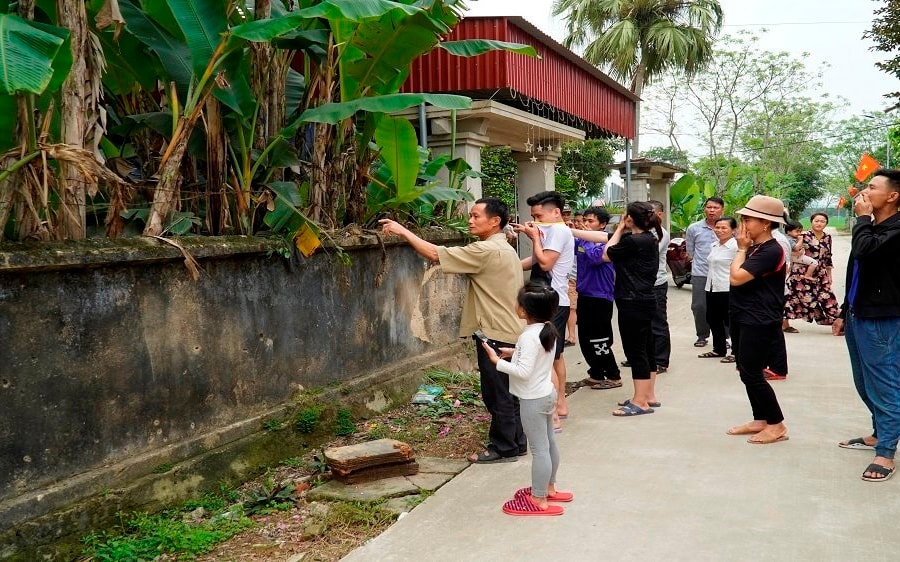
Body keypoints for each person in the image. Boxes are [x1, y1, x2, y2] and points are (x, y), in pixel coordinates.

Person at [379, 198, 527, 463]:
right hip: (510, 329)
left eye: (476, 216)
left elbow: (436, 254)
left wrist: (403, 231)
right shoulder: (505, 248)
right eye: (470, 215)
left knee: (497, 394)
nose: (470, 220)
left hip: (495, 331)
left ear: (495, 221)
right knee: (509, 391)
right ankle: (517, 441)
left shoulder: (485, 250)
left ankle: (504, 447)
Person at [833, 169, 900, 482]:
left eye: (872, 187)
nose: (864, 192)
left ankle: (886, 453)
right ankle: (878, 432)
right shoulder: (873, 228)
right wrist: (843, 311)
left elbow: (864, 251)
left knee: (885, 384)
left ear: (892, 196)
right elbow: (857, 272)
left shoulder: (895, 229)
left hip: (882, 319)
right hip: (858, 313)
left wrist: (861, 219)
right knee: (864, 382)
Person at [482, 282, 572, 515]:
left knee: (539, 449)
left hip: (533, 400)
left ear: (523, 311)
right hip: (547, 394)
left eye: (518, 302)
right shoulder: (549, 329)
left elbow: (523, 371)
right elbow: (537, 357)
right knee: (549, 443)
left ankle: (538, 498)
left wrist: (497, 361)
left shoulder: (528, 337)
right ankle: (549, 488)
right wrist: (514, 353)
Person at [725, 195, 789, 445]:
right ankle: (760, 418)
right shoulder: (756, 247)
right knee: (745, 370)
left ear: (765, 223)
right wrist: (744, 249)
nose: (743, 224)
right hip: (743, 315)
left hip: (758, 319)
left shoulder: (772, 250)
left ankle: (777, 424)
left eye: (748, 219)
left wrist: (740, 249)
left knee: (752, 372)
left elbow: (737, 278)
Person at [513, 191, 575, 430]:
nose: (535, 220)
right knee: (555, 355)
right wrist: (510, 266)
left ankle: (554, 417)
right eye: (533, 217)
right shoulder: (551, 231)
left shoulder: (558, 231)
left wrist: (534, 237)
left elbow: (546, 262)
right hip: (552, 300)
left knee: (545, 358)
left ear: (556, 212)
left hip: (552, 302)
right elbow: (536, 260)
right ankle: (561, 405)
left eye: (539, 215)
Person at [604, 202, 661, 416]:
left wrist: (619, 228)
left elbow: (606, 254)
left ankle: (640, 402)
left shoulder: (634, 241)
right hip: (645, 300)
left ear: (630, 218)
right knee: (646, 348)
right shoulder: (650, 239)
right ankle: (648, 395)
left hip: (631, 301)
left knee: (636, 351)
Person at [571, 207, 621, 389]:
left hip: (600, 297)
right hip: (584, 295)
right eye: (584, 220)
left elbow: (595, 258)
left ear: (602, 225)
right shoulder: (583, 240)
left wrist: (582, 237)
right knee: (585, 338)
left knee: (600, 339)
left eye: (590, 221)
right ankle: (596, 373)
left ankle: (613, 375)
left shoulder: (608, 242)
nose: (585, 224)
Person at [783, 212, 840, 331]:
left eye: (822, 221)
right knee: (794, 297)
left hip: (820, 273)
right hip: (801, 273)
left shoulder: (827, 237)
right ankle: (785, 325)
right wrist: (796, 254)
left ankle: (839, 320)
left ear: (826, 223)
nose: (819, 223)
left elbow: (828, 257)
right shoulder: (802, 235)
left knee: (827, 296)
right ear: (811, 222)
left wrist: (829, 275)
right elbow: (788, 248)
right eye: (816, 221)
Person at [686, 197, 725, 347]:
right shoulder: (694, 228)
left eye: (715, 208)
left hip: (723, 274)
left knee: (723, 306)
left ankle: (724, 337)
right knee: (699, 305)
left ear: (722, 209)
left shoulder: (729, 227)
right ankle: (702, 335)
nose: (712, 210)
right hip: (700, 272)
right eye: (709, 207)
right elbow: (690, 251)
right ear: (704, 209)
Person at [699, 217, 738, 361]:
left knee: (730, 320)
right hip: (711, 286)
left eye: (724, 228)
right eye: (717, 227)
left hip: (727, 287)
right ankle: (719, 349)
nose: (720, 231)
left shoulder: (735, 247)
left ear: (733, 230)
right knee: (712, 318)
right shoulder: (714, 245)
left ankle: (736, 352)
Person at [649, 200, 672, 373]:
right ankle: (647, 356)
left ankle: (661, 360)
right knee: (644, 323)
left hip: (656, 283)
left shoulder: (661, 234)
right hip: (641, 286)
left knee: (658, 322)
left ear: (660, 214)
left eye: (650, 212)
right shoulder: (644, 232)